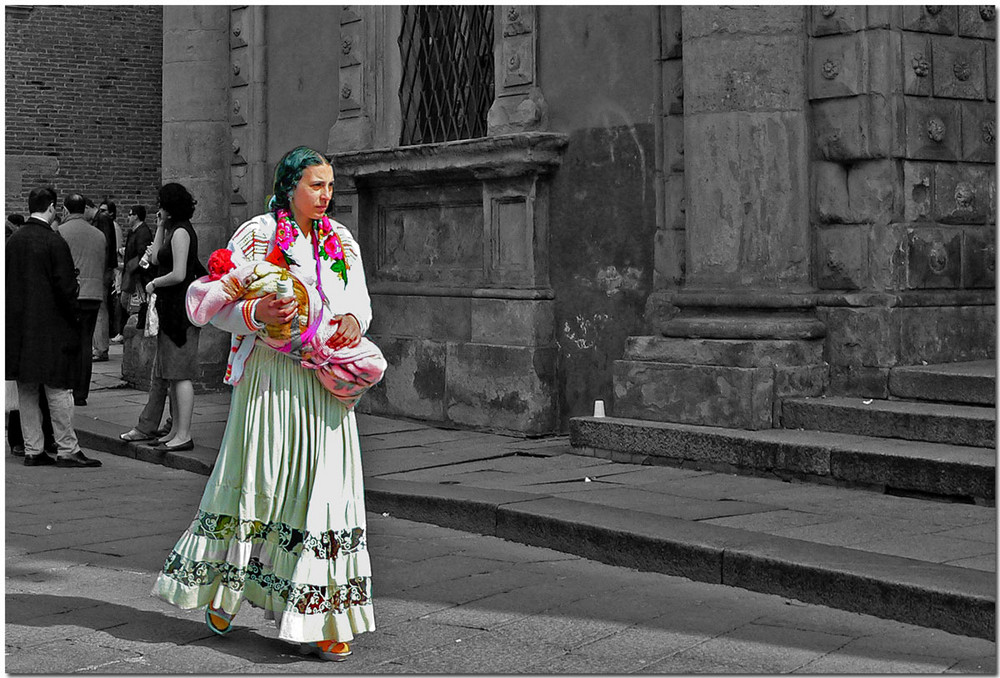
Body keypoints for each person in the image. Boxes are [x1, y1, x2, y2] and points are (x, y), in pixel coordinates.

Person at [152, 147, 377, 661]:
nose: (326, 195)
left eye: (330, 186)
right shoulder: (257, 233)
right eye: (316, 185)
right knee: (257, 478)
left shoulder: (341, 241)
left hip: (324, 380)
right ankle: (223, 588)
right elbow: (219, 304)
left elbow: (359, 300)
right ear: (290, 184)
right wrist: (256, 310)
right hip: (270, 376)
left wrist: (352, 323)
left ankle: (319, 617)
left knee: (324, 488)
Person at [5, 186, 101, 468]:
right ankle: (67, 447)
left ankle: (33, 449)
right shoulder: (53, 241)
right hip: (50, 328)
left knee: (27, 390)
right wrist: (74, 317)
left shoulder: (14, 240)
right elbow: (66, 288)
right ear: (51, 207)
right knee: (58, 390)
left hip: (19, 328)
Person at [133, 183, 204, 451]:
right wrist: (161, 225)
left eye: (162, 204)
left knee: (181, 373)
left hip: (179, 311)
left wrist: (154, 284)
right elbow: (153, 259)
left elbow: (179, 273)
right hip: (169, 308)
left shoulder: (183, 232)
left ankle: (183, 433)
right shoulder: (173, 229)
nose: (158, 208)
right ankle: (175, 430)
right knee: (172, 373)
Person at [58, 193, 108, 407]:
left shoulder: (60, 232)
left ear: (66, 210)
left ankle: (66, 385)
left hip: (71, 295)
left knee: (67, 342)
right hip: (94, 294)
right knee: (86, 343)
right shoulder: (99, 235)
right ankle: (81, 393)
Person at [120, 204, 155, 329]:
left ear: (136, 216)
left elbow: (142, 254)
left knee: (130, 302)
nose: (128, 217)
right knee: (126, 301)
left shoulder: (142, 232)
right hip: (133, 274)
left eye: (130, 214)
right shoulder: (135, 232)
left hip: (137, 276)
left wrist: (135, 269)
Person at [92, 199, 118, 362]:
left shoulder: (102, 220)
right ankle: (100, 347)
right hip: (105, 268)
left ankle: (101, 348)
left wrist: (102, 268)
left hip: (103, 269)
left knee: (100, 307)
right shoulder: (103, 220)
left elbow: (105, 246)